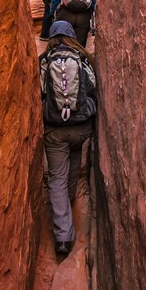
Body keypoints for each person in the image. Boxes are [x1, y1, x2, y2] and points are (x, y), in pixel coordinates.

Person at [39, 21, 96, 256]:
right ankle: (69, 201)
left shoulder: (45, 60)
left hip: (55, 129)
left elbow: (40, 91)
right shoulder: (81, 58)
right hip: (81, 126)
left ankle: (63, 236)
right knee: (74, 159)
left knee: (56, 178)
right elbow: (92, 87)